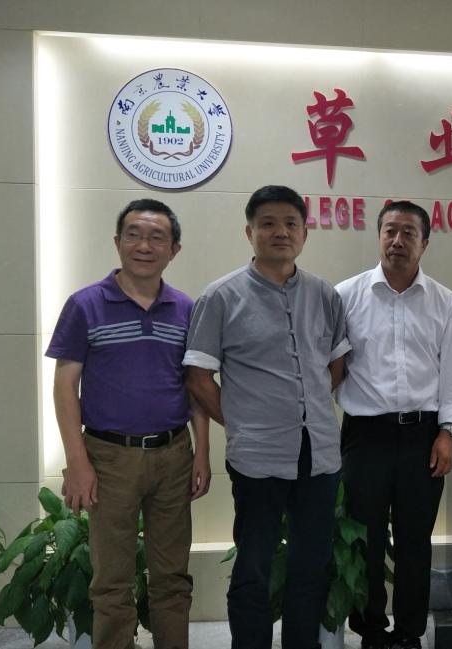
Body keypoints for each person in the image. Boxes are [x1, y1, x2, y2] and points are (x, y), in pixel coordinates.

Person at [183, 185, 350, 649]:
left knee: (310, 564)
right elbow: (198, 377)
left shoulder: (324, 294)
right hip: (257, 456)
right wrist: (241, 421)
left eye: (291, 223)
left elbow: (337, 365)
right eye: (268, 223)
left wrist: (308, 406)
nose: (281, 232)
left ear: (304, 233)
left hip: (319, 454)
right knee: (253, 565)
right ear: (249, 232)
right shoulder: (221, 296)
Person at [47, 198, 210, 649]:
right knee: (112, 580)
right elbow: (65, 387)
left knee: (172, 576)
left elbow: (195, 386)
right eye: (134, 235)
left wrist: (202, 452)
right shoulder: (84, 305)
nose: (144, 245)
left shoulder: (186, 309)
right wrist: (77, 462)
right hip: (108, 457)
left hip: (174, 455)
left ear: (174, 249)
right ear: (118, 242)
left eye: (157, 237)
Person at [335, 201, 452, 649]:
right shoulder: (346, 295)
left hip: (422, 436)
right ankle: (371, 630)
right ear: (379, 237)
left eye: (408, 233)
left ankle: (409, 633)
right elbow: (332, 367)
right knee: (365, 539)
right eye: (390, 231)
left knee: (414, 540)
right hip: (364, 434)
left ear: (424, 243)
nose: (397, 241)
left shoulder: (444, 300)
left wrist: (448, 432)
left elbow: (451, 372)